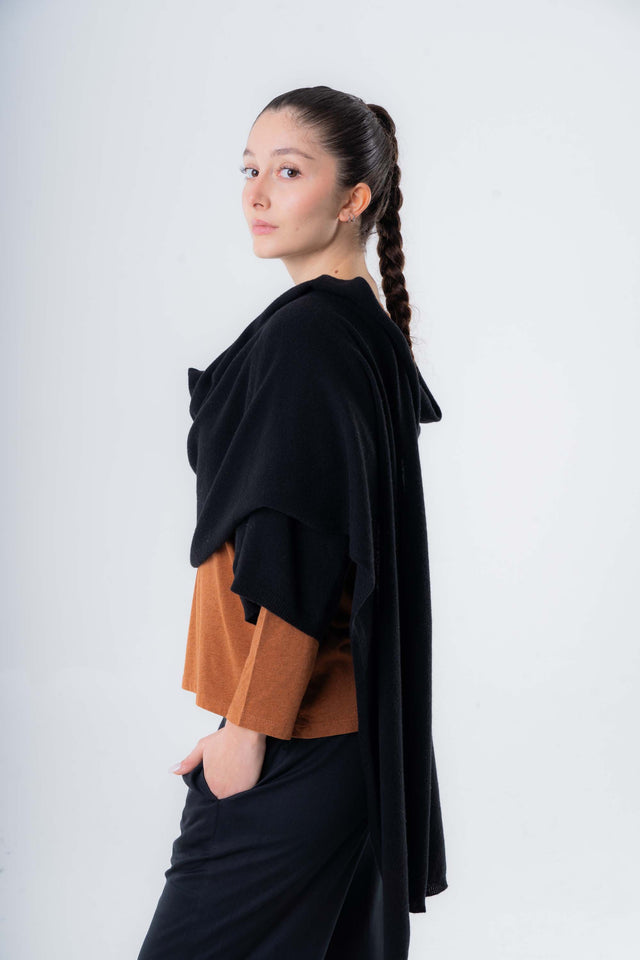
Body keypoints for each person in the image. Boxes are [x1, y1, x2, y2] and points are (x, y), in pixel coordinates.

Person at [136, 85, 447, 960]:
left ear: (353, 199)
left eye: (289, 171)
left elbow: (302, 559)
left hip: (295, 742)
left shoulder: (309, 337)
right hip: (342, 744)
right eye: (249, 170)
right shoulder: (360, 326)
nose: (258, 193)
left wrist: (246, 732)